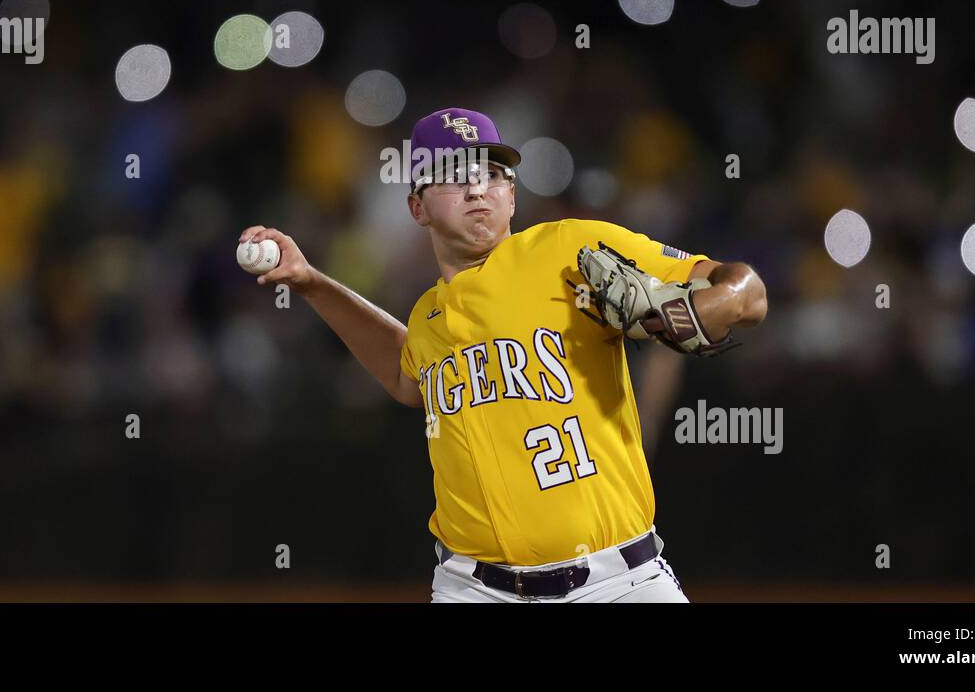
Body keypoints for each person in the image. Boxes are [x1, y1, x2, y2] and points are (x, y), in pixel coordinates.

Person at [239, 107, 767, 602]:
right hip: (473, 588)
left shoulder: (568, 250)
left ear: (512, 196)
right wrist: (310, 283)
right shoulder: (428, 317)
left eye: (491, 174)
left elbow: (750, 292)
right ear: (417, 206)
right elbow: (407, 377)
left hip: (618, 582)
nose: (476, 188)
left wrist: (717, 301)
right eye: (453, 175)